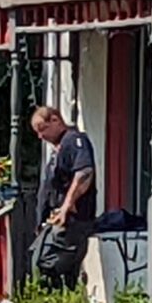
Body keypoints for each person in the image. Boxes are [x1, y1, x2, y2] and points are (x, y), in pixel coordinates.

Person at [30, 104, 97, 290]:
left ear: (55, 120)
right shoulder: (57, 150)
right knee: (59, 270)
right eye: (37, 132)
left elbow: (84, 172)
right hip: (56, 220)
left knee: (45, 264)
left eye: (42, 129)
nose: (40, 136)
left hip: (71, 220)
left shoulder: (74, 140)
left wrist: (66, 207)